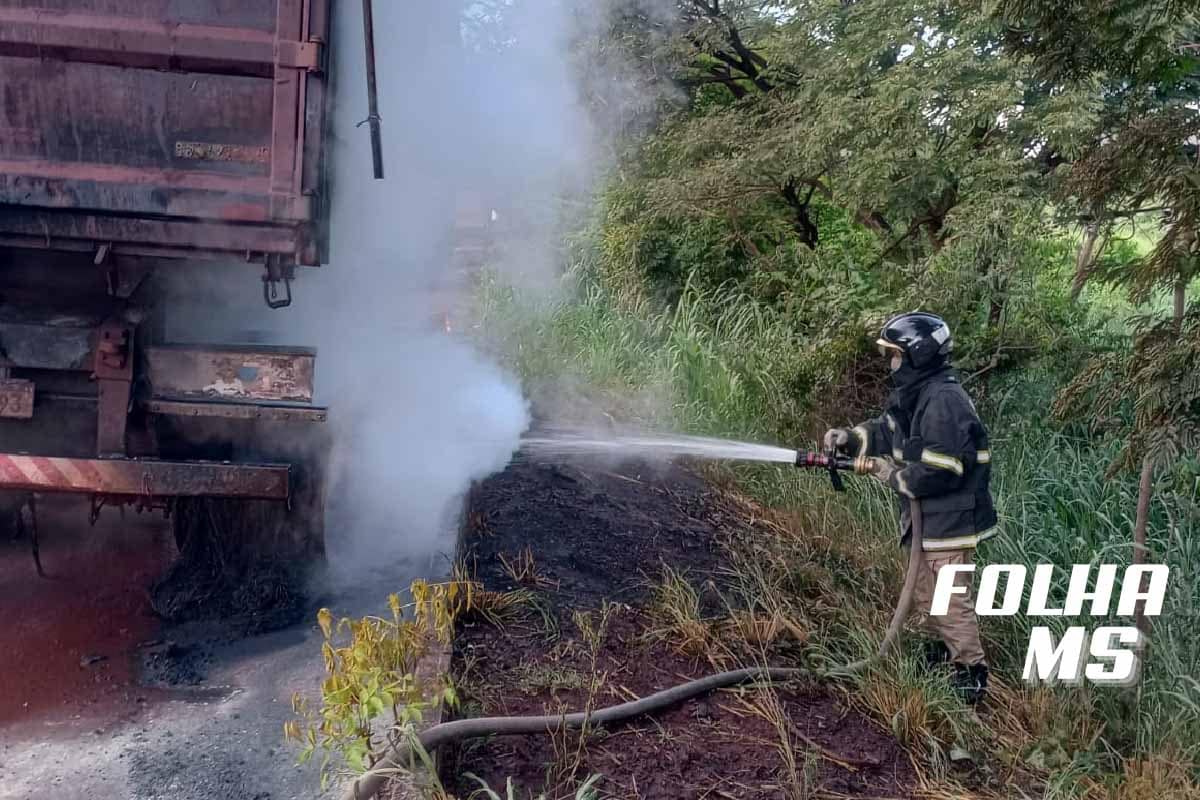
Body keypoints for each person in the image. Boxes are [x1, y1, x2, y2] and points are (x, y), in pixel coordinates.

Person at [825, 312, 997, 704]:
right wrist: (850, 439)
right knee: (923, 592)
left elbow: (942, 469)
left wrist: (892, 476)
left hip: (952, 521)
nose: (891, 364)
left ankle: (971, 672)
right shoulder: (916, 393)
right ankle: (939, 651)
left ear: (917, 356)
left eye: (895, 356)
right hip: (926, 521)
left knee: (950, 599)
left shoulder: (944, 401)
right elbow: (888, 429)